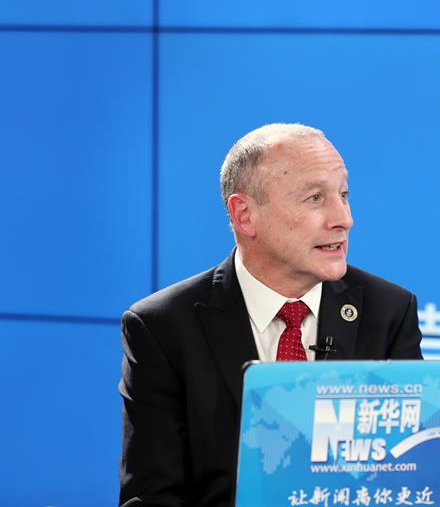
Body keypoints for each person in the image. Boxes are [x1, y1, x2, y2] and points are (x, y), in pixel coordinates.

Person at [118, 123, 423, 506]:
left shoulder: (389, 312)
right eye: (315, 198)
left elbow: (411, 479)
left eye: (344, 194)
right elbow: (152, 498)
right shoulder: (163, 328)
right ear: (245, 215)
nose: (344, 218)